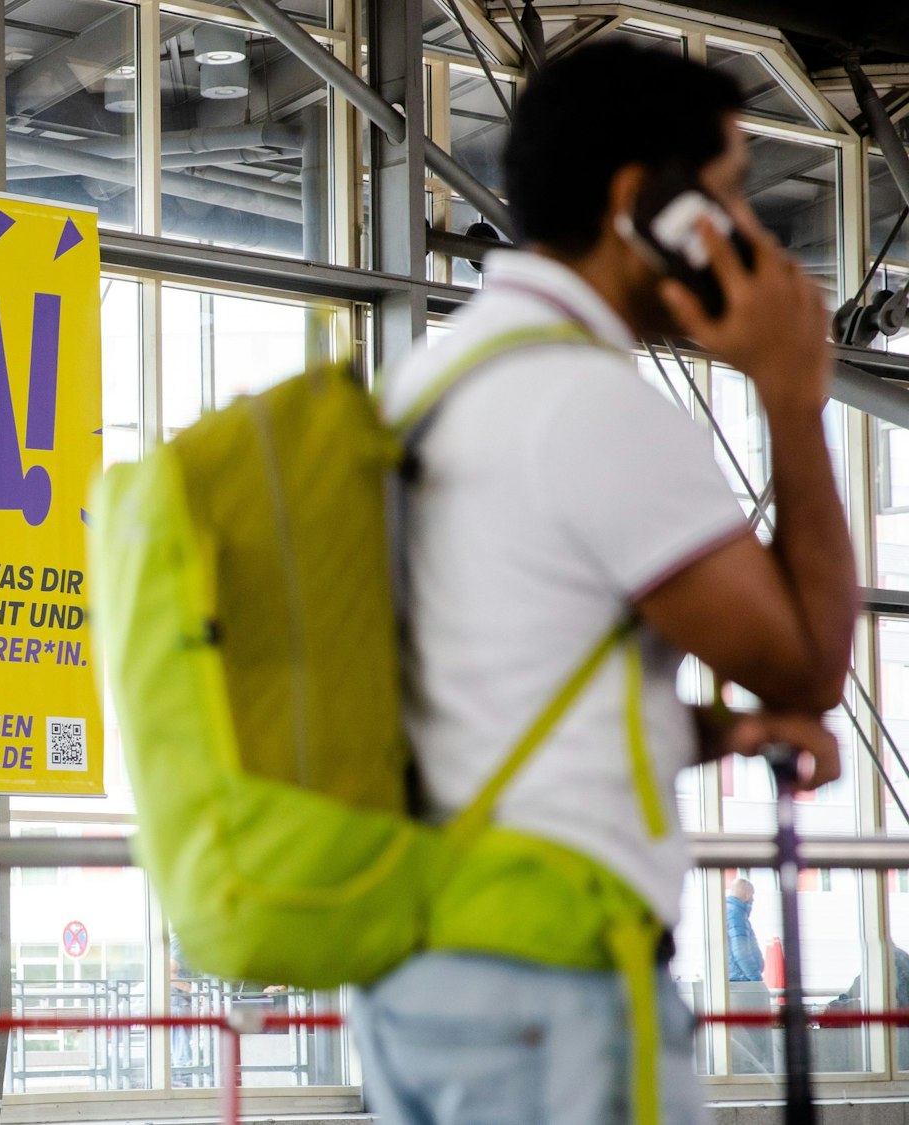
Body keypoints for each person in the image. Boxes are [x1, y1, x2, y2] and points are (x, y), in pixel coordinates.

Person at [352, 39, 852, 1125]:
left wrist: (713, 736)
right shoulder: (585, 405)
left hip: (418, 966)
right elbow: (806, 662)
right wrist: (790, 397)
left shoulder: (430, 378)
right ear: (644, 204)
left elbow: (496, 680)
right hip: (550, 974)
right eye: (726, 197)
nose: (749, 238)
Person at [725, 878, 764, 982]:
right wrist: (756, 979)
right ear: (746, 894)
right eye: (752, 894)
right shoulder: (736, 914)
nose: (753, 899)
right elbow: (741, 952)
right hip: (741, 980)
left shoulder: (728, 911)